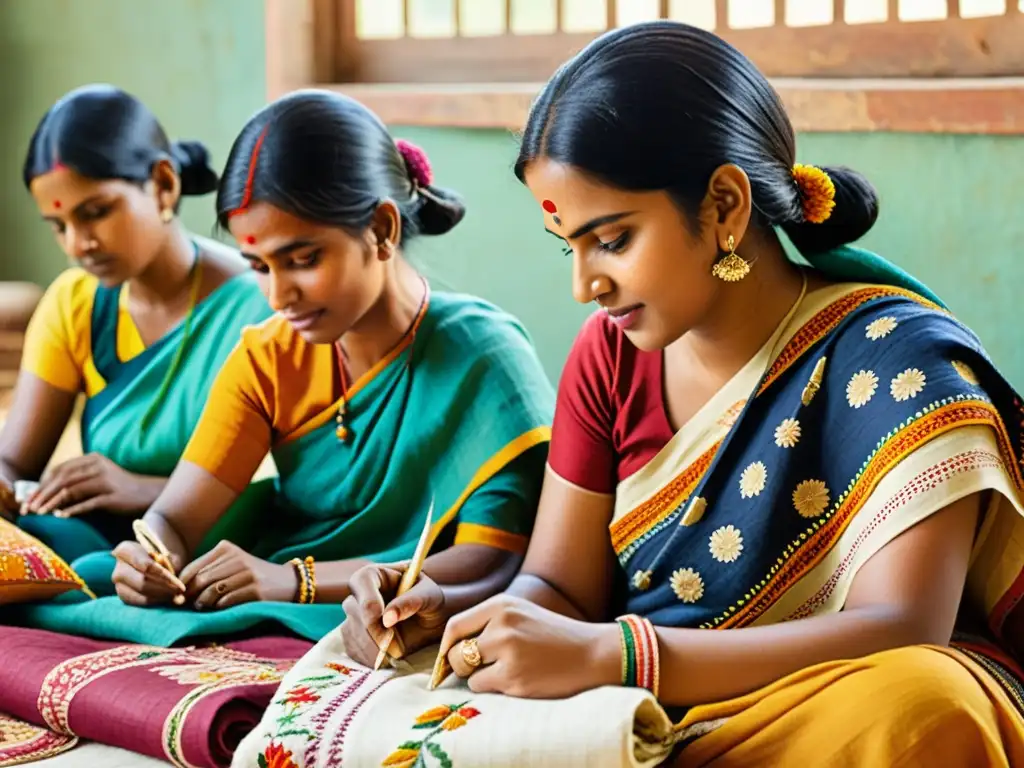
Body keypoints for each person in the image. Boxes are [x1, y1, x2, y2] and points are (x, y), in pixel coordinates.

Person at [340, 22, 1024, 765]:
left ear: (725, 205)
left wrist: (625, 658)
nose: (584, 285)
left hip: (817, 705)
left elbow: (902, 627)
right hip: (632, 710)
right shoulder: (608, 356)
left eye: (613, 240)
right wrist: (460, 616)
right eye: (570, 247)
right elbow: (558, 587)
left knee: (926, 705)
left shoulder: (897, 357)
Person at [91, 90, 554, 647]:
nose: (279, 294)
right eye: (258, 266)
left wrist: (293, 581)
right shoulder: (269, 355)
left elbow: (490, 560)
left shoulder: (485, 358)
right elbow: (176, 519)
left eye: (303, 259)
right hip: (272, 598)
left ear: (382, 230)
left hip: (414, 613)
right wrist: (150, 554)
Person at [0, 85, 272, 593]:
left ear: (163, 185)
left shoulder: (262, 305)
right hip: (98, 544)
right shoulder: (77, 303)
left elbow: (293, 491)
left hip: (228, 551)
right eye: (58, 225)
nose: (79, 244)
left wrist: (143, 491)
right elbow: (15, 461)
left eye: (96, 212)